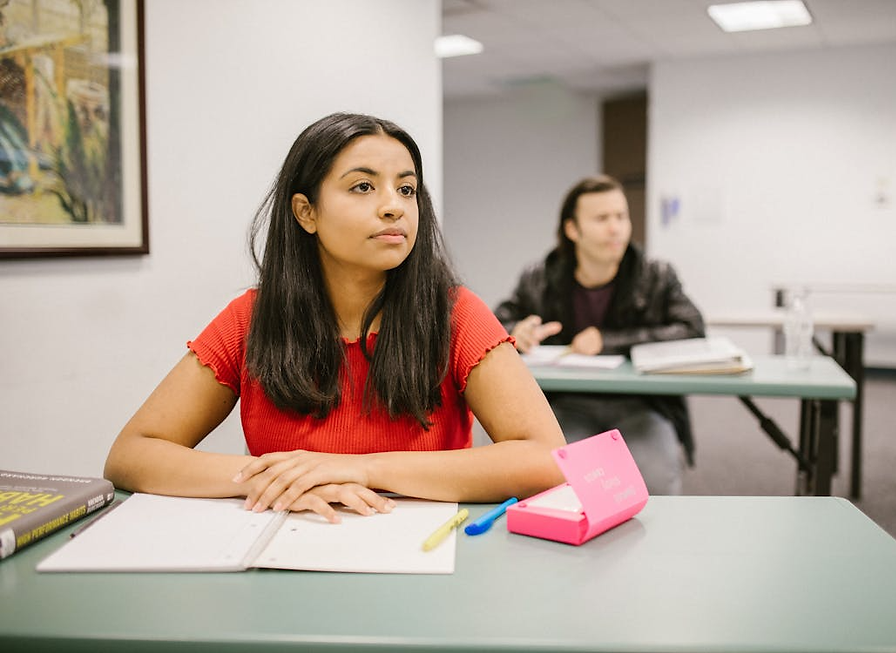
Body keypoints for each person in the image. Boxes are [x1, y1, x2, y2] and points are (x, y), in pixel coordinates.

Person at [104, 112, 565, 522]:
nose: (394, 206)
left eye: (407, 189)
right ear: (306, 212)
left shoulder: (457, 314)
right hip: (287, 551)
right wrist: (280, 479)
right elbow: (133, 454)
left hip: (418, 562)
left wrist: (362, 469)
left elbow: (547, 458)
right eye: (363, 186)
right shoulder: (251, 318)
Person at [494, 175, 705, 494]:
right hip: (566, 404)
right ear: (572, 230)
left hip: (643, 404)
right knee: (557, 482)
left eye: (621, 217)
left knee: (656, 481)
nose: (615, 228)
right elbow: (497, 326)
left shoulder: (656, 275)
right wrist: (516, 333)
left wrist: (607, 342)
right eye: (602, 218)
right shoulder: (539, 278)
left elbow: (692, 328)